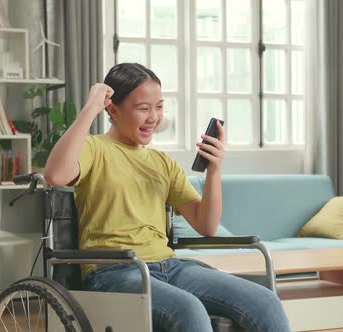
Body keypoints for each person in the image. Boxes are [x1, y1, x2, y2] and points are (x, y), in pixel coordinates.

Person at [44, 63, 290, 332]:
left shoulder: (163, 163)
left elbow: (205, 225)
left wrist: (215, 169)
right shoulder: (94, 148)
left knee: (265, 301)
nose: (154, 118)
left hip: (170, 267)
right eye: (143, 108)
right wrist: (91, 108)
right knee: (189, 309)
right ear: (112, 109)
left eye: (158, 107)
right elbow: (55, 175)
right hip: (114, 270)